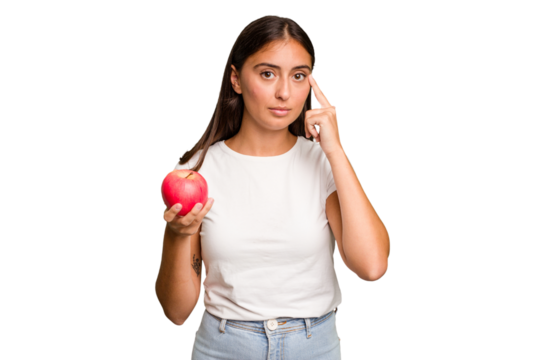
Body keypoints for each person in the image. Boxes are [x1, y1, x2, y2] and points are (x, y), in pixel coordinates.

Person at [154, 13, 390, 360]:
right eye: (267, 73)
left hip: (314, 346)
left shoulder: (326, 162)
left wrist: (335, 150)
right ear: (236, 79)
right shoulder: (196, 171)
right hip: (223, 347)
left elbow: (371, 267)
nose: (284, 93)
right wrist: (176, 234)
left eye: (298, 76)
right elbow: (176, 314)